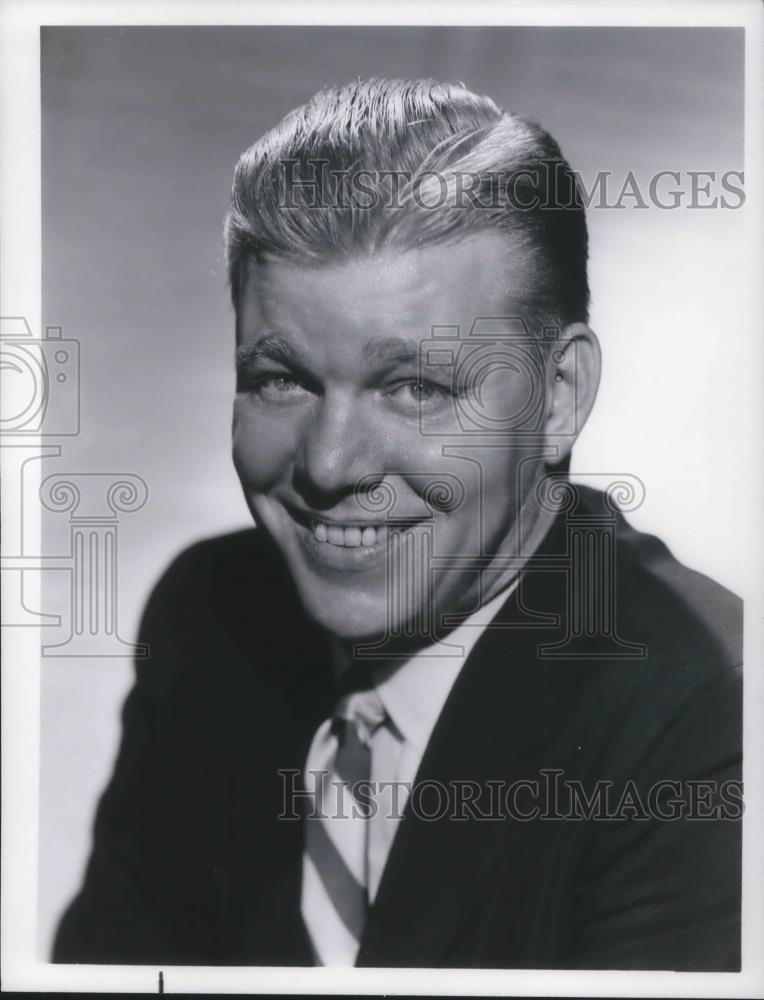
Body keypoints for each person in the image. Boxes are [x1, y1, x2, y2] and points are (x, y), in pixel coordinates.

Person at [54, 78, 742, 970]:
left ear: (559, 396)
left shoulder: (711, 713)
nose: (331, 467)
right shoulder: (208, 613)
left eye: (415, 387)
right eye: (281, 380)